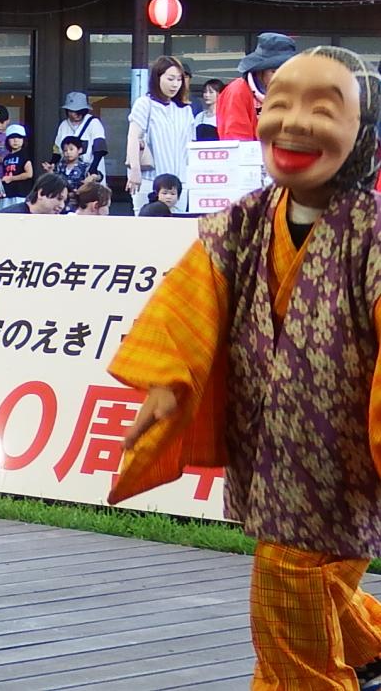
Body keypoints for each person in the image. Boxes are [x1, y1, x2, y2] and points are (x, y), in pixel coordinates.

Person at [108, 45, 381, 688]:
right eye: (280, 102)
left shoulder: (373, 235)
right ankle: (370, 647)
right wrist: (168, 381)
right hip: (271, 454)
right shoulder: (246, 220)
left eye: (323, 108)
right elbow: (190, 302)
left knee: (290, 598)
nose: (292, 122)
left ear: (364, 129)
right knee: (315, 586)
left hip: (344, 464)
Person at [127, 55, 195, 212]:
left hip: (179, 182)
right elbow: (133, 137)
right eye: (170, 79)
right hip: (149, 180)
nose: (175, 84)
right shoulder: (145, 103)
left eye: (179, 79)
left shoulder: (185, 109)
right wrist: (135, 171)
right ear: (157, 78)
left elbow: (191, 147)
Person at [217, 33, 299, 142]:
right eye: (274, 71)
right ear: (261, 71)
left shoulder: (289, 93)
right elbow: (237, 139)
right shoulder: (237, 92)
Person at [54, 91, 108, 180]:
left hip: (90, 172)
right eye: (73, 111)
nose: (77, 114)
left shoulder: (93, 123)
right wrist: (53, 162)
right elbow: (56, 148)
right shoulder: (64, 125)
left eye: (80, 111)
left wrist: (93, 167)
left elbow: (100, 148)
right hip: (68, 171)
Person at [0, 172, 70, 215]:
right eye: (59, 198)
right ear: (41, 193)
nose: (62, 206)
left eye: (64, 201)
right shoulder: (9, 216)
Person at [0, 124, 34, 205]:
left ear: (23, 140)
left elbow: (29, 174)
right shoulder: (6, 158)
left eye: (19, 137)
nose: (15, 140)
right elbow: (6, 175)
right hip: (7, 195)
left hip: (21, 195)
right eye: (12, 137)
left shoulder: (24, 155)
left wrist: (12, 178)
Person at [195, 77, 225, 142]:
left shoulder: (225, 117)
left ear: (220, 94)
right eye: (205, 92)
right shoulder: (199, 116)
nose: (207, 95)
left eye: (211, 92)